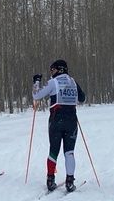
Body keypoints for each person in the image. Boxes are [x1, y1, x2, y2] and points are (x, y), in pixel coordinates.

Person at [32, 59, 87, 192]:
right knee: (69, 152)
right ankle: (70, 181)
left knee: (53, 150)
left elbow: (37, 95)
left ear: (60, 69)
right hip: (72, 120)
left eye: (53, 70)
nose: (51, 73)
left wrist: (36, 82)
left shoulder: (54, 82)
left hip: (56, 120)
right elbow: (82, 98)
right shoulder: (73, 81)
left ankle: (50, 179)